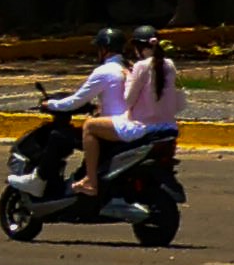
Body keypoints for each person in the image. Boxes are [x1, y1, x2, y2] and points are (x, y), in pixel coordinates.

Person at [67, 18, 176, 197]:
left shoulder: (139, 67)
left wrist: (129, 79)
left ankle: (91, 181)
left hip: (143, 126)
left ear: (137, 46)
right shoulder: (169, 65)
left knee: (89, 126)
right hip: (168, 126)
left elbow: (128, 99)